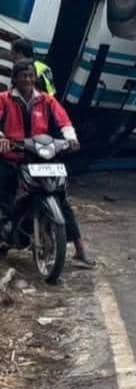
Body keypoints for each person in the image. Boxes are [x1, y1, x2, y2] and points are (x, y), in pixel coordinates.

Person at [0, 59, 94, 267]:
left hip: (39, 157)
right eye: (23, 76)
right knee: (4, 196)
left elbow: (64, 120)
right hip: (12, 157)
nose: (28, 80)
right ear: (14, 78)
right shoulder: (4, 99)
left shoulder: (46, 100)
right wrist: (2, 138)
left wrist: (71, 138)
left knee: (61, 199)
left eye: (31, 75)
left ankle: (80, 249)